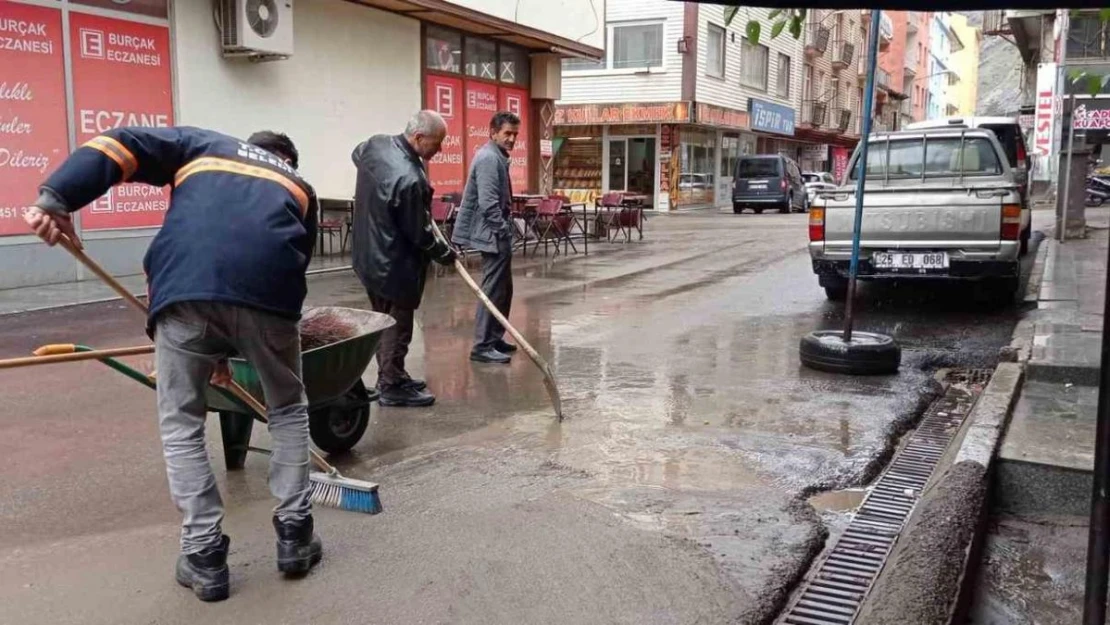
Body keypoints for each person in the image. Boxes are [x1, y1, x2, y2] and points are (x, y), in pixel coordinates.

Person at [24, 126, 322, 602]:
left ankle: (204, 555)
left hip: (185, 291)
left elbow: (118, 145)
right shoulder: (299, 185)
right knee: (287, 407)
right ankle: (296, 535)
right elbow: (287, 261)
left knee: (182, 422)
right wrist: (234, 341)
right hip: (270, 299)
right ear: (285, 160)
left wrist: (57, 198)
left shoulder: (201, 145)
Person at [350, 111, 457, 407]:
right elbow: (420, 235)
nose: (440, 149)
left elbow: (356, 155)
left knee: (383, 319)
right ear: (419, 138)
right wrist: (445, 253)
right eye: (438, 142)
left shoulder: (375, 145)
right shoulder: (410, 179)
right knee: (396, 325)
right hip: (392, 265)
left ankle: (393, 373)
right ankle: (391, 385)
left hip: (367, 254)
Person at [451, 111, 521, 365]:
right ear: (493, 133)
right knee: (492, 290)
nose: (512, 139)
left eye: (515, 134)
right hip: (491, 234)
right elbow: (489, 204)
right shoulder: (489, 158)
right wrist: (504, 231)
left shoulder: (496, 156)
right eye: (507, 134)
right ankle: (482, 346)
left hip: (495, 233)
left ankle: (494, 337)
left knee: (503, 289)